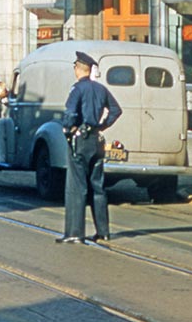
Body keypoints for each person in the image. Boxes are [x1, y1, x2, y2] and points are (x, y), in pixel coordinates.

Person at [57, 50, 123, 244]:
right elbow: (116, 110)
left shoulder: (77, 89)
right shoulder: (101, 89)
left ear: (78, 69)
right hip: (96, 139)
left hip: (81, 139)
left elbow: (70, 113)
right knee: (98, 186)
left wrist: (68, 130)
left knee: (77, 186)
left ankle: (75, 232)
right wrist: (102, 125)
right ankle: (103, 231)